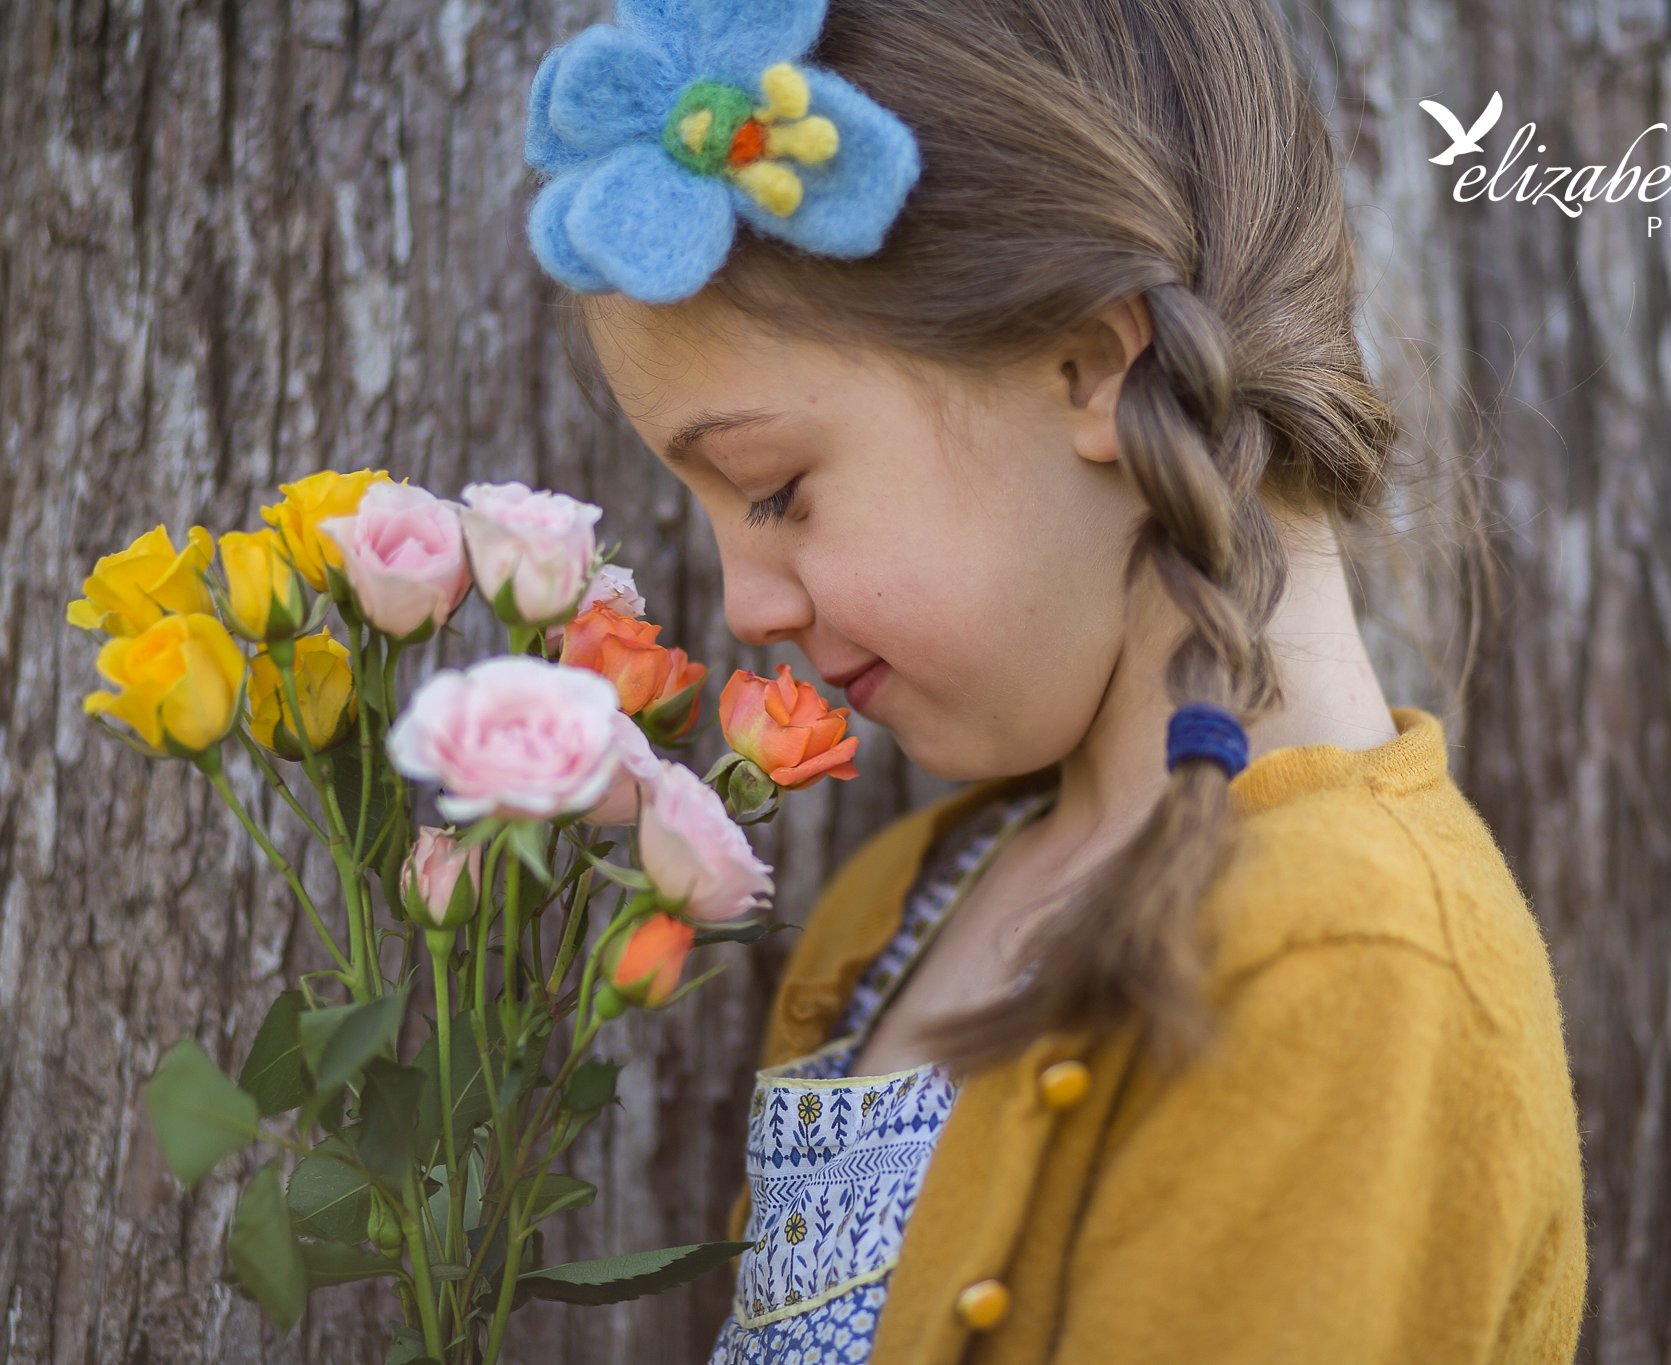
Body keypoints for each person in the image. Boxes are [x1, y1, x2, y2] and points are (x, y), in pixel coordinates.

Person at [521, 0, 1589, 1360]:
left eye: (776, 490)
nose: (746, 605)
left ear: (1088, 364)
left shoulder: (1349, 962)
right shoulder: (903, 902)